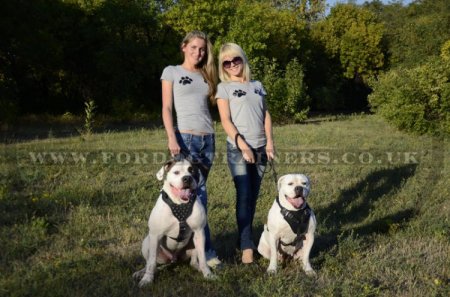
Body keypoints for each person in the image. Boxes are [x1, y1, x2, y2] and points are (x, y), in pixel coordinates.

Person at [160, 30, 221, 268]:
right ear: (184, 47)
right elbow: (166, 108)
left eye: (202, 49)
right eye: (194, 47)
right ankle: (205, 254)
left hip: (208, 139)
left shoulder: (207, 75)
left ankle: (189, 248)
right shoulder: (172, 71)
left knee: (193, 196)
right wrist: (171, 137)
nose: (198, 52)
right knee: (199, 194)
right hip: (184, 139)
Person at [215, 43, 275, 264]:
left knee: (253, 197)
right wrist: (243, 145)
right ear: (223, 66)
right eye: (227, 62)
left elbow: (265, 114)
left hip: (261, 148)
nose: (232, 65)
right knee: (244, 195)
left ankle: (243, 239)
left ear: (243, 58)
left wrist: (269, 142)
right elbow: (225, 120)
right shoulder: (224, 88)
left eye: (236, 60)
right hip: (239, 148)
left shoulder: (257, 85)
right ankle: (247, 246)